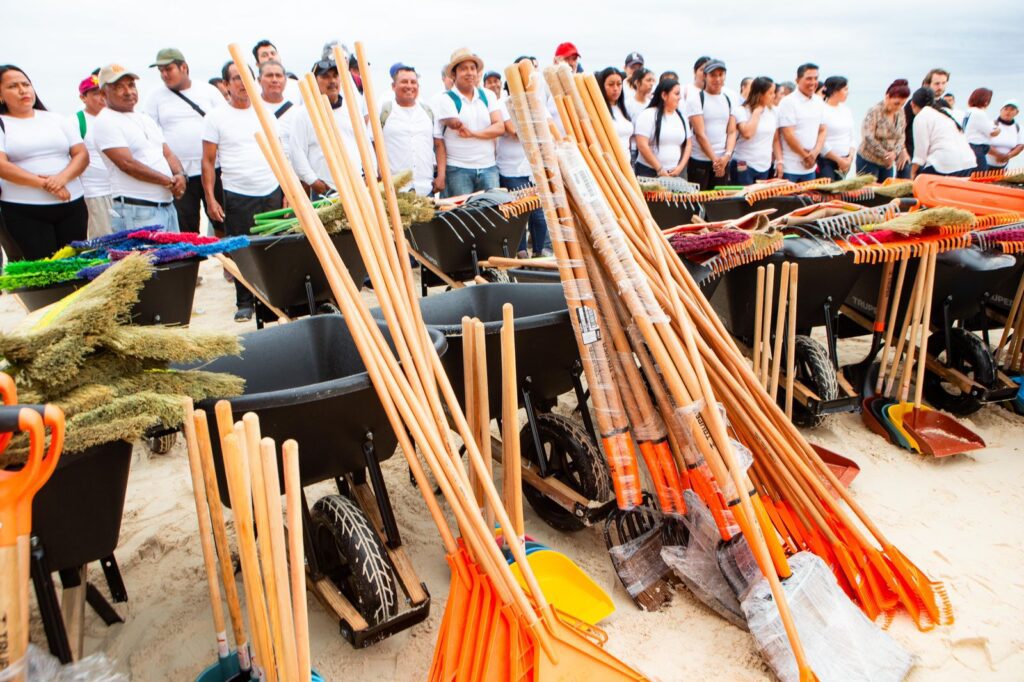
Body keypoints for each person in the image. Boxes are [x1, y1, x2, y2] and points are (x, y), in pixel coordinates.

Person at [202, 62, 284, 322]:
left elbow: (279, 154)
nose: (241, 83)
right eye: (236, 78)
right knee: (241, 249)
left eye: (246, 77)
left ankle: (271, 300)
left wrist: (285, 190)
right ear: (226, 85)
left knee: (273, 247)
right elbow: (208, 161)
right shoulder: (216, 117)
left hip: (269, 188)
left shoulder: (265, 114)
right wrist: (211, 198)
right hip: (237, 192)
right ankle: (245, 301)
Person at [0, 65, 88, 261]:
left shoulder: (56, 119)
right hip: (25, 211)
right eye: (13, 86)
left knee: (77, 267)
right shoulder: (3, 123)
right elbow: (2, 166)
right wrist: (45, 184)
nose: (23, 90)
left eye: (26, 84)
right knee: (43, 273)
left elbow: (81, 154)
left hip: (72, 206)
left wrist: (61, 179)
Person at [91, 63, 185, 233]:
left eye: (131, 85)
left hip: (166, 207)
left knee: (176, 260)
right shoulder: (105, 121)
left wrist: (180, 175)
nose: (128, 92)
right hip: (137, 210)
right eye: (119, 87)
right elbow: (127, 164)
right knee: (149, 260)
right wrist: (169, 182)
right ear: (104, 93)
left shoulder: (145, 119)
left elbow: (167, 153)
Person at [143, 48, 225, 235]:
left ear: (184, 67)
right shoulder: (155, 97)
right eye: (161, 71)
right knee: (186, 230)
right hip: (180, 176)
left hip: (214, 169)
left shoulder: (208, 91)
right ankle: (193, 264)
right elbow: (151, 135)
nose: (164, 75)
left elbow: (225, 123)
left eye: (168, 69)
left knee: (222, 224)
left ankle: (230, 265)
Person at [290, 55, 372, 197]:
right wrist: (314, 182)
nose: (332, 81)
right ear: (314, 81)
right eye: (326, 77)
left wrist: (369, 174)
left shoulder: (351, 109)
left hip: (356, 186)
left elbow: (365, 143)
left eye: (335, 76)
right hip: (325, 190)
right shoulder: (304, 113)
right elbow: (296, 152)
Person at [434, 48, 503, 196]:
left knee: (493, 215)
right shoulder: (446, 99)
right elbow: (453, 125)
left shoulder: (488, 95)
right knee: (463, 216)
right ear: (454, 74)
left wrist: (474, 133)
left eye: (472, 68)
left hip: (489, 167)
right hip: (458, 169)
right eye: (464, 69)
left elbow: (499, 127)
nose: (470, 73)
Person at [496, 83, 549, 258]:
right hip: (511, 170)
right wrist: (535, 128)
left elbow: (547, 128)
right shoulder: (503, 104)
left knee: (539, 215)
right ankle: (521, 253)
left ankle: (539, 252)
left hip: (533, 169)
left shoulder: (535, 103)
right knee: (518, 214)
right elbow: (513, 131)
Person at [379, 64, 443, 196]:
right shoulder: (384, 111)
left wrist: (441, 176)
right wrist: (379, 171)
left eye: (413, 82)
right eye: (404, 82)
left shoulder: (428, 111)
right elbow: (373, 144)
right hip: (395, 189)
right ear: (393, 86)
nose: (409, 86)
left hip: (425, 188)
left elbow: (439, 144)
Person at [686, 59, 737, 189]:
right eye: (713, 75)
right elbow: (700, 134)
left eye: (720, 75)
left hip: (722, 160)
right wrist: (715, 161)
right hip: (700, 161)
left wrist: (727, 155)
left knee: (718, 204)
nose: (717, 79)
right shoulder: (696, 99)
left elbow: (731, 131)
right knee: (699, 202)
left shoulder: (729, 99)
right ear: (705, 76)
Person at [74, 74, 114, 238]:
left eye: (103, 92)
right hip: (94, 193)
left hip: (120, 192)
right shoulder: (77, 121)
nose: (101, 98)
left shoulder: (114, 117)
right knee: (102, 242)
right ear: (83, 97)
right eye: (95, 93)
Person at [909, 87, 975, 178]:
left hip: (945, 164)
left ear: (912, 104)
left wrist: (912, 173)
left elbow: (920, 153)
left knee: (922, 187)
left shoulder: (921, 116)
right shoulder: (945, 112)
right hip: (967, 162)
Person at [633, 78, 691, 179]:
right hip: (649, 172)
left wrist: (680, 167)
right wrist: (659, 168)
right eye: (676, 94)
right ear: (664, 95)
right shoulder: (648, 114)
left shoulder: (681, 116)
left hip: (674, 172)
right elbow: (642, 145)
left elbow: (688, 144)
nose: (680, 97)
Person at [777, 63, 826, 181]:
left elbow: (823, 130)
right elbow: (788, 134)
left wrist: (814, 154)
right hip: (790, 167)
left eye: (816, 78)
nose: (813, 82)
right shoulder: (788, 102)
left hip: (810, 167)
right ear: (797, 80)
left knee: (811, 199)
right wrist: (805, 156)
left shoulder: (819, 102)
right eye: (809, 78)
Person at [856, 79, 911, 180]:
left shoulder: (900, 113)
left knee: (885, 192)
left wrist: (895, 153)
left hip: (888, 162)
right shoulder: (874, 111)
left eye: (902, 104)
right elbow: (867, 137)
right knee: (868, 194)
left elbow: (902, 135)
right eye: (896, 103)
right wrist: (885, 154)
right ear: (888, 97)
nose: (898, 107)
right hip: (869, 159)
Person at [734, 76, 779, 185]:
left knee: (759, 200)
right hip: (742, 163)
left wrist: (779, 161)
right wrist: (757, 112)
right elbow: (748, 134)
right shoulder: (742, 110)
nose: (773, 96)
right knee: (743, 199)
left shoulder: (773, 112)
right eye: (770, 93)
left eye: (774, 92)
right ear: (760, 94)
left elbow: (775, 139)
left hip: (764, 165)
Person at [257, 60, 300, 160]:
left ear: (285, 80)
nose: (274, 80)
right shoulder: (252, 109)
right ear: (259, 80)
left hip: (290, 171)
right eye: (269, 75)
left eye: (278, 76)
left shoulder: (296, 112)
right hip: (260, 171)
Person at [904, 68, 949, 157]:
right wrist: (903, 151)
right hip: (912, 154)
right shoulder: (915, 102)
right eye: (937, 84)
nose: (940, 87)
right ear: (927, 84)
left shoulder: (945, 105)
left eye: (943, 83)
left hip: (936, 156)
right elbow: (901, 128)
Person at [818, 76, 855, 180]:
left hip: (845, 160)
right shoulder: (822, 110)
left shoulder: (846, 110)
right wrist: (839, 160)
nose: (848, 92)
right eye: (845, 89)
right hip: (827, 161)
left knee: (841, 194)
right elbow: (820, 141)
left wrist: (850, 158)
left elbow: (851, 137)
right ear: (834, 91)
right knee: (828, 193)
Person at [252, 39, 303, 103]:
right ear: (257, 64)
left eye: (273, 53)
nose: (270, 57)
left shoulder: (297, 87)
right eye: (264, 55)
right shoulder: (251, 89)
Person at [597, 66, 632, 158]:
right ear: (602, 85)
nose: (616, 88)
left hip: (627, 164)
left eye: (619, 84)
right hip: (608, 165)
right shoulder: (597, 111)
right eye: (611, 84)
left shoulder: (623, 109)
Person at [963, 88, 998, 171]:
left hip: (967, 145)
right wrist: (998, 130)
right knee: (981, 174)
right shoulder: (980, 113)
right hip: (976, 147)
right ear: (986, 101)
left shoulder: (968, 111)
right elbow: (991, 132)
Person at [986, 101, 1023, 170]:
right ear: (1001, 111)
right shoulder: (990, 124)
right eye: (1006, 109)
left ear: (1017, 112)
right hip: (985, 165)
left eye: (1012, 109)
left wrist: (1008, 156)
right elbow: (982, 143)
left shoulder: (1018, 128)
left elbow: (1020, 146)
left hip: (1003, 167)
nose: (1008, 112)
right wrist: (998, 155)